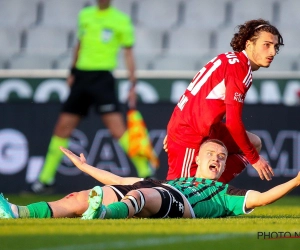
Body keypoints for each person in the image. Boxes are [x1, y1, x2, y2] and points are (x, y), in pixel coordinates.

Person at [30, 0, 157, 194]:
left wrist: (132, 84)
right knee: (62, 127)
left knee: (118, 129)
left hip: (102, 79)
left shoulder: (121, 20)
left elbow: (128, 53)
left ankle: (145, 173)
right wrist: (72, 71)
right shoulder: (85, 15)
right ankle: (45, 179)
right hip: (81, 77)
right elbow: (79, 45)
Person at [2, 140, 300, 219]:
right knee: (79, 197)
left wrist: (296, 181)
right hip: (163, 189)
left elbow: (261, 199)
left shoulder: (225, 192)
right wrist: (86, 167)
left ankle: (102, 214)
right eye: (211, 153)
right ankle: (19, 212)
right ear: (197, 158)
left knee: (143, 198)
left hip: (177, 202)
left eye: (221, 157)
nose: (217, 158)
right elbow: (120, 177)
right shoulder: (177, 179)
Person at [165, 18, 284, 183]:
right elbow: (233, 123)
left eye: (275, 47)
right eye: (266, 45)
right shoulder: (240, 69)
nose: (272, 52)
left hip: (199, 128)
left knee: (254, 143)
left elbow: (195, 95)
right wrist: (255, 160)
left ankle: (210, 189)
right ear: (249, 45)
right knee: (176, 195)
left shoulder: (228, 59)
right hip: (189, 134)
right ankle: (128, 190)